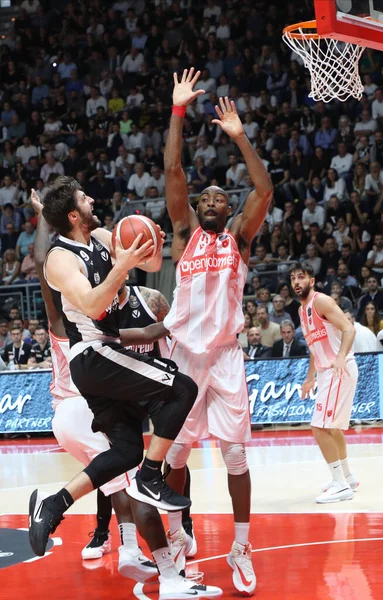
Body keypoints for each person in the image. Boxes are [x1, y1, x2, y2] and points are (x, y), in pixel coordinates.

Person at [29, 187, 219, 597]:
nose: (93, 200)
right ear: (74, 216)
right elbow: (96, 306)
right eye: (84, 199)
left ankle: (55, 504)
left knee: (127, 451)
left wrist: (150, 244)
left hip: (104, 357)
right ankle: (151, 478)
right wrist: (124, 265)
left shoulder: (97, 238)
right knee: (180, 387)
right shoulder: (59, 260)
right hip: (93, 355)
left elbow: (145, 259)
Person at [163, 68, 273, 595]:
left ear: (228, 211)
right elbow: (172, 167)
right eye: (203, 198)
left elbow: (264, 187)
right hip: (184, 357)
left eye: (217, 199)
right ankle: (180, 536)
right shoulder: (183, 233)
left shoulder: (239, 241)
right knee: (176, 456)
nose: (208, 200)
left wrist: (239, 136)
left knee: (235, 456)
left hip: (226, 356)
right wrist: (178, 110)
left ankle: (241, 546)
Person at [290, 263, 359, 504]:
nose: (296, 282)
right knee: (332, 427)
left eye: (301, 277)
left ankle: (340, 485)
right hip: (325, 372)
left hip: (338, 369)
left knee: (319, 427)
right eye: (293, 279)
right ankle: (347, 477)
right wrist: (310, 378)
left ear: (312, 280)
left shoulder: (322, 301)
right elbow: (313, 348)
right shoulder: (302, 311)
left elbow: (349, 329)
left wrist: (340, 358)